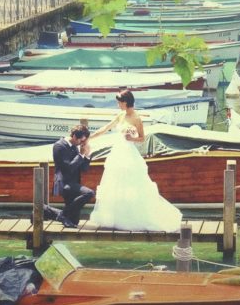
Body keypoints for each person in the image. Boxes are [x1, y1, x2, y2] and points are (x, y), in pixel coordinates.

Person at [87, 90, 182, 232]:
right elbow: (106, 128)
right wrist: (89, 138)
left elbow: (142, 138)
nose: (118, 104)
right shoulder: (120, 115)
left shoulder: (137, 118)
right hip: (117, 152)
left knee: (132, 183)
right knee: (114, 183)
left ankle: (132, 217)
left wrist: (132, 139)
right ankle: (115, 216)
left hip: (129, 152)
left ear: (125, 102)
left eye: (119, 102)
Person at [52, 124, 94, 228]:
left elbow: (84, 169)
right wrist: (80, 155)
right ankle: (62, 214)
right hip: (64, 183)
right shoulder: (59, 146)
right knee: (89, 193)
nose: (82, 143)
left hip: (74, 184)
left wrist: (87, 156)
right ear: (74, 136)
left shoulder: (75, 146)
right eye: (81, 141)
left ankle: (44, 210)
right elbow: (68, 169)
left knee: (74, 221)